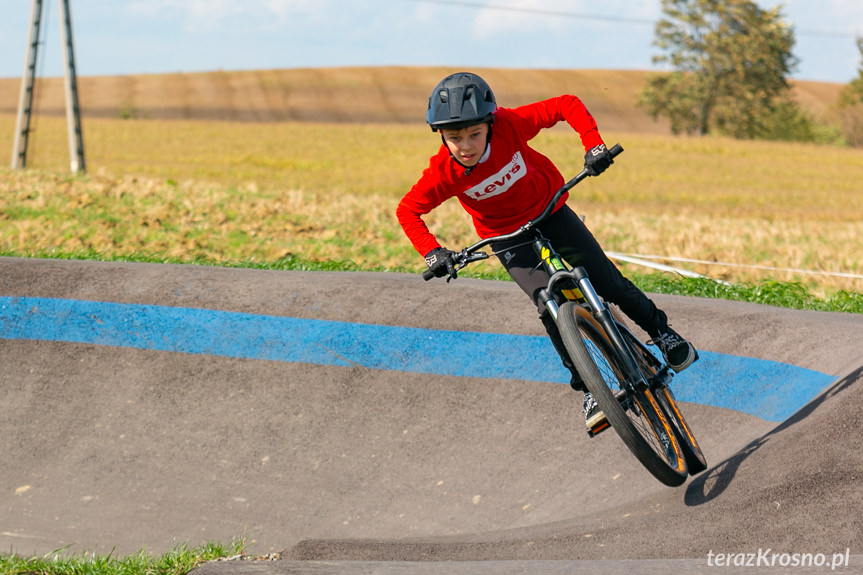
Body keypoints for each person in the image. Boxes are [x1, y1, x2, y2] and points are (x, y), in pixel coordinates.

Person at [396, 72, 698, 435]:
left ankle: (662, 333)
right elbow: (407, 211)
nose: (465, 145)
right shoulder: (443, 173)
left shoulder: (509, 125)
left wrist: (593, 145)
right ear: (441, 136)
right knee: (547, 304)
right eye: (454, 137)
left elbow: (565, 104)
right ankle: (590, 389)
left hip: (551, 211)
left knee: (608, 283)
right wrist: (433, 252)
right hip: (507, 238)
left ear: (490, 125)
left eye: (475, 134)